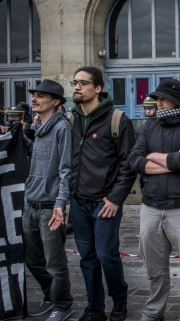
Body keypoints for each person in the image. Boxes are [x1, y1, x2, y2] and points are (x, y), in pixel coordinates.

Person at [128, 79, 180, 321]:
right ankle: (154, 311)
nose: (158, 102)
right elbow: (135, 159)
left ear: (176, 101)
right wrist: (168, 161)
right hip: (151, 208)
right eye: (157, 99)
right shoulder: (149, 126)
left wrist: (152, 157)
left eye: (163, 98)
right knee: (154, 268)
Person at [69, 66, 137, 321]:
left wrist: (115, 198)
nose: (76, 87)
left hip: (104, 203)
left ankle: (119, 302)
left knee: (107, 256)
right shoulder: (71, 119)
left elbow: (128, 164)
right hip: (78, 202)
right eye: (74, 82)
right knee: (87, 258)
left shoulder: (117, 119)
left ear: (97, 88)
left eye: (83, 83)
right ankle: (94, 309)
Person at [22, 80, 74, 321]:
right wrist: (18, 136)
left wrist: (60, 204)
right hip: (30, 203)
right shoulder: (39, 126)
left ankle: (63, 304)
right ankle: (49, 296)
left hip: (49, 207)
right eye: (34, 95)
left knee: (54, 262)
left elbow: (66, 170)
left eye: (40, 96)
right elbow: (36, 157)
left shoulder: (62, 128)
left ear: (55, 102)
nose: (34, 99)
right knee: (33, 259)